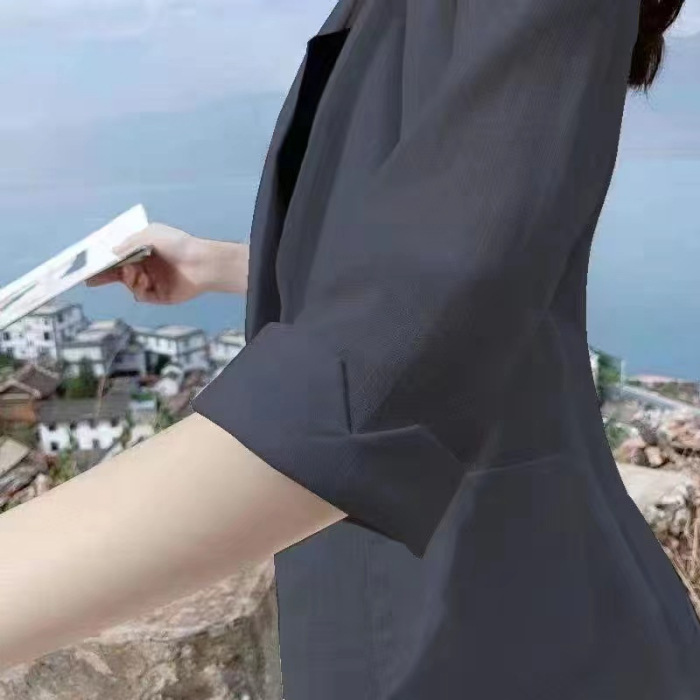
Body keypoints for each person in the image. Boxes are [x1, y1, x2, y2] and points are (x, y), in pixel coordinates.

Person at [1, 0, 698, 697]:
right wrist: (217, 265)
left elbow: (375, 375)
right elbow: (432, 277)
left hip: (507, 618)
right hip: (432, 593)